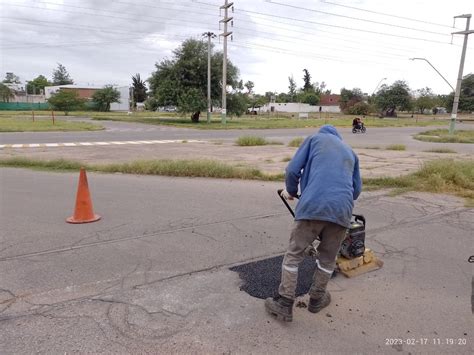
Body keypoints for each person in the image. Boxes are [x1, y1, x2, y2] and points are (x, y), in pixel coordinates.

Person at [265, 125, 362, 322]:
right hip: (342, 211)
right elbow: (356, 190)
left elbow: (292, 170)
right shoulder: (350, 152)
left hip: (313, 206)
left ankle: (284, 302)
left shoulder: (315, 139)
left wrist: (291, 191)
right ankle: (317, 299)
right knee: (327, 258)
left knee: (293, 255)